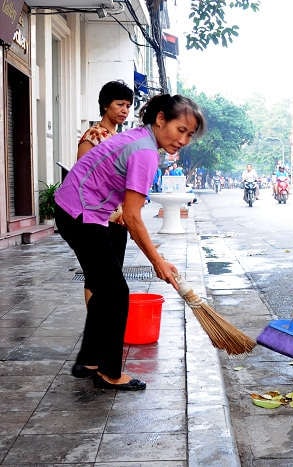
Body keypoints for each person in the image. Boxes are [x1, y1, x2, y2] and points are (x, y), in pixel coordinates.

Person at [54, 94, 206, 391]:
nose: (184, 140)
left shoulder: (140, 138)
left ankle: (88, 361)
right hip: (80, 214)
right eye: (181, 130)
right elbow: (134, 217)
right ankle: (109, 372)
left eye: (190, 134)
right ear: (161, 119)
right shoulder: (145, 151)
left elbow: (128, 212)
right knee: (115, 292)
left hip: (75, 209)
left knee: (104, 288)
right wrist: (158, 262)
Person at [76, 80, 134, 307]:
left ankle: (107, 322)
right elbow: (83, 180)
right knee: (96, 274)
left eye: (128, 105)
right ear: (105, 106)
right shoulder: (92, 136)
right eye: (120, 104)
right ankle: (95, 323)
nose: (125, 110)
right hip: (96, 218)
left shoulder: (122, 139)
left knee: (113, 273)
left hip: (119, 219)